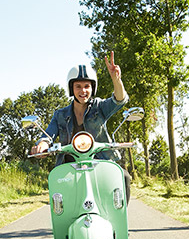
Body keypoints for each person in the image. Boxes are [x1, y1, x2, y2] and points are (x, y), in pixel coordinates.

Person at [30, 51, 131, 202]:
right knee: (57, 191)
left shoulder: (100, 107)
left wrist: (116, 80)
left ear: (92, 88)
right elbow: (48, 135)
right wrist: (42, 144)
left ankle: (119, 220)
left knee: (124, 177)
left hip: (100, 162)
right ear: (71, 88)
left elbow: (119, 100)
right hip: (70, 166)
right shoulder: (60, 115)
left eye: (86, 86)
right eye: (78, 86)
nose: (83, 91)